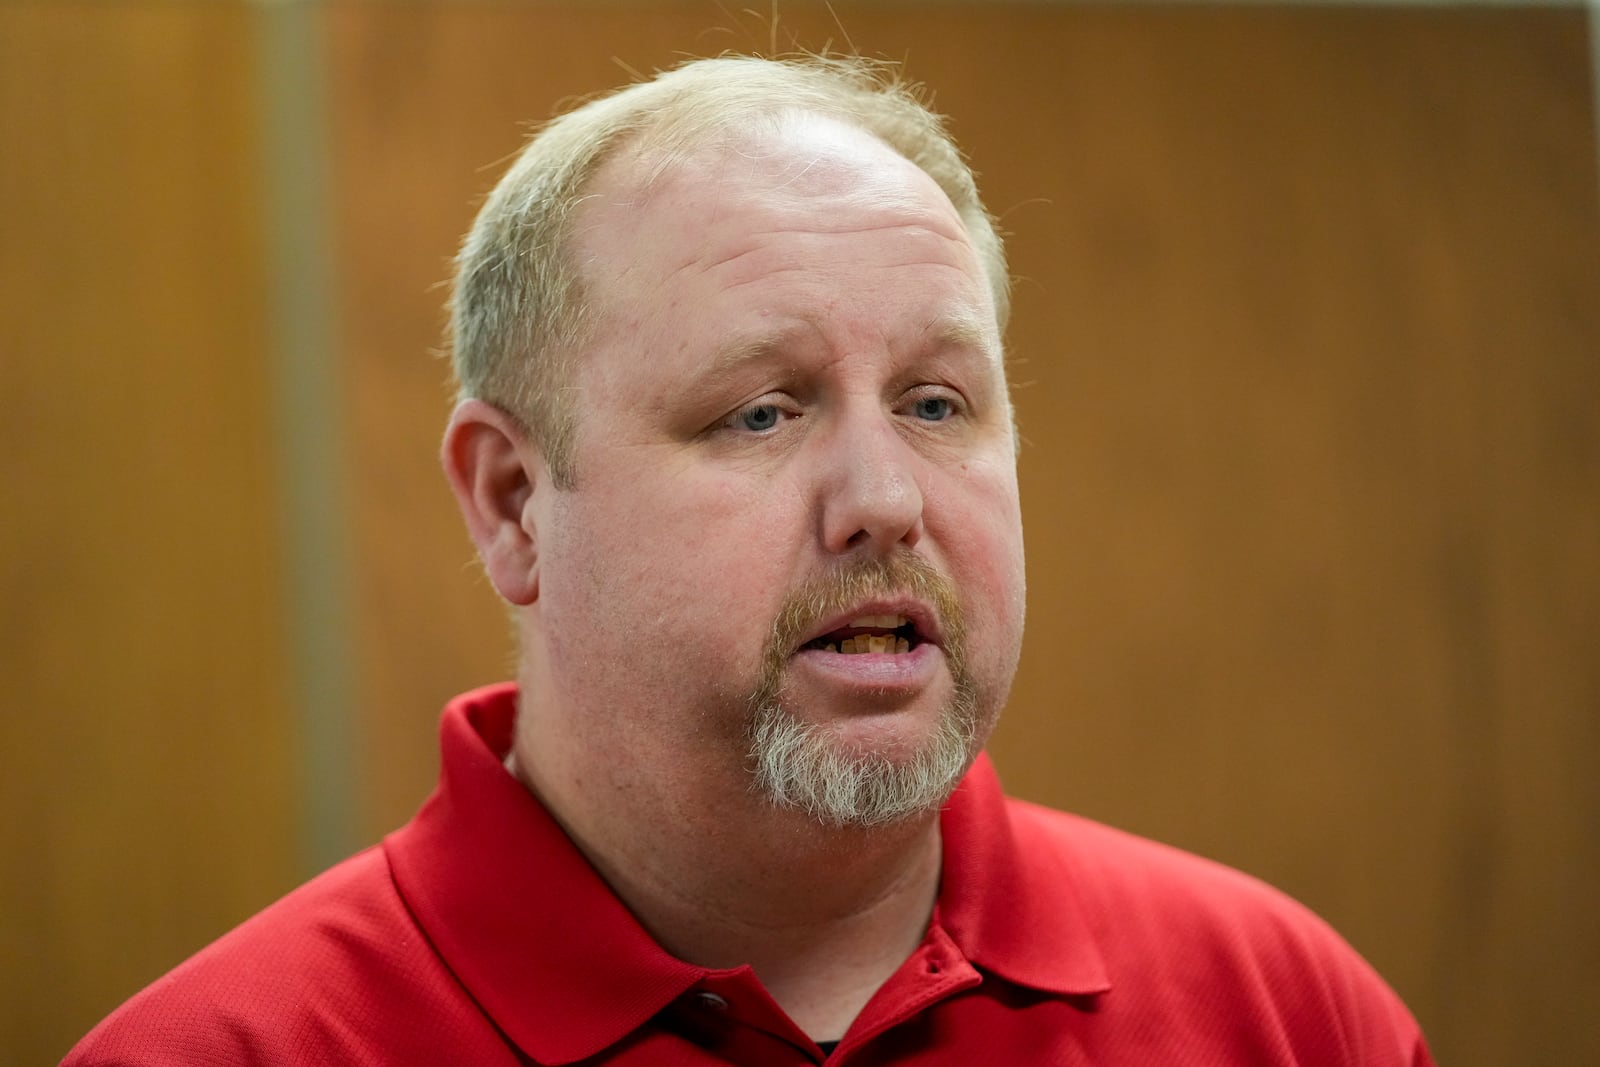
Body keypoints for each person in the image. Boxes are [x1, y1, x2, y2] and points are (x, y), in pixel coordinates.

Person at [65, 54, 1433, 1066]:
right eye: (762, 411)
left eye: (938, 403)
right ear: (513, 505)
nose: (884, 499)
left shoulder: (1287, 1013)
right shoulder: (222, 1052)